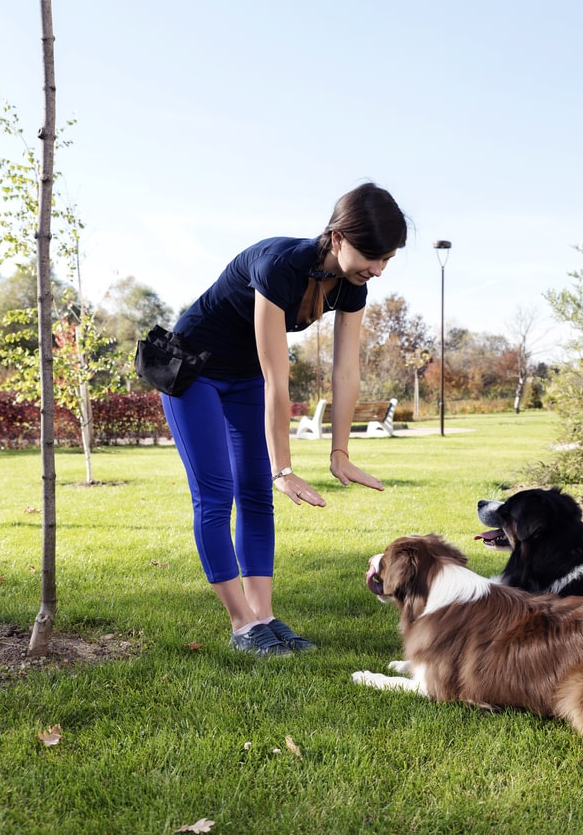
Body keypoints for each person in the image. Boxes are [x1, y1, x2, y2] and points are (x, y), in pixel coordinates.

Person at [160, 182, 408, 658]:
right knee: (216, 494)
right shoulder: (280, 266)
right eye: (371, 256)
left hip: (243, 377)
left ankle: (265, 617)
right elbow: (279, 377)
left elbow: (346, 370)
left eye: (386, 260)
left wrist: (341, 452)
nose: (377, 269)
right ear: (337, 238)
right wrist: (285, 468)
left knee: (257, 495)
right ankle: (241, 624)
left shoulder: (351, 286)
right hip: (194, 372)